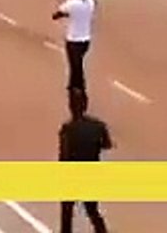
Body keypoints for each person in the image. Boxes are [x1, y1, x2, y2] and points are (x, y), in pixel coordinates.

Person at [58, 88, 112, 233]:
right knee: (93, 211)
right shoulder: (99, 126)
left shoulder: (67, 128)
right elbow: (107, 144)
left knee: (67, 212)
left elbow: (63, 156)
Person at [52, 0, 96, 93]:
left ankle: (78, 85)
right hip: (86, 39)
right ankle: (73, 83)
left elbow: (57, 14)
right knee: (78, 62)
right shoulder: (90, 2)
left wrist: (65, 14)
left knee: (75, 64)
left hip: (73, 39)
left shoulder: (72, 4)